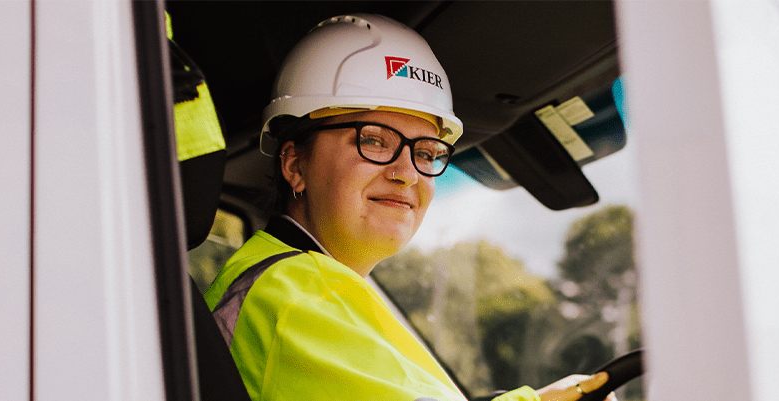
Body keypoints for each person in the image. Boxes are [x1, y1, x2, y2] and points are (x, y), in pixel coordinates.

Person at [202, 13, 614, 401]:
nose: (408, 173)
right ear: (295, 164)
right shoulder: (294, 295)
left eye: (427, 151)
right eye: (374, 140)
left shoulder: (300, 285)